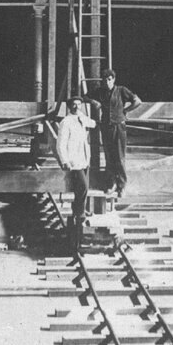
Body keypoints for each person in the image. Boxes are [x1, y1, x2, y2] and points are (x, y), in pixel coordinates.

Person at [51, 96, 97, 251]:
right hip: (74, 163)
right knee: (83, 187)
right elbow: (60, 143)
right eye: (74, 105)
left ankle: (77, 215)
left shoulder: (82, 119)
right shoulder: (66, 122)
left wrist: (94, 108)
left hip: (84, 160)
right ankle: (79, 214)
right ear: (69, 107)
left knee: (82, 190)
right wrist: (64, 160)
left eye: (79, 105)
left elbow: (94, 124)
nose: (77, 107)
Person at [95, 68, 142, 200]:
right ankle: (111, 184)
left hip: (119, 127)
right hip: (106, 127)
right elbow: (86, 96)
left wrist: (125, 111)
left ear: (113, 80)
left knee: (120, 157)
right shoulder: (100, 92)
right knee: (109, 157)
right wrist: (94, 102)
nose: (107, 82)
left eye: (109, 79)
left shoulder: (121, 90)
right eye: (104, 79)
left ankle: (122, 186)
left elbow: (138, 101)